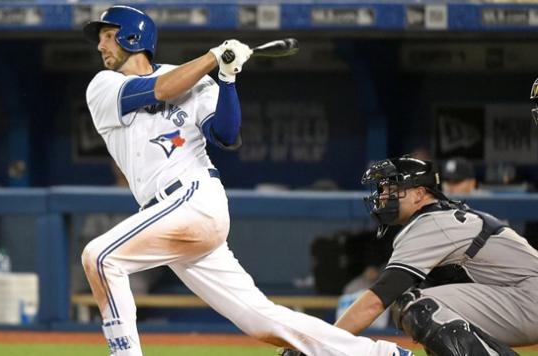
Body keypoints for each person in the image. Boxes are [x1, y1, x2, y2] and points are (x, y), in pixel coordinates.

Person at [80, 5, 413, 356]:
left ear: (133, 35)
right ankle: (382, 354)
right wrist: (212, 58)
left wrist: (227, 78)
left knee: (101, 257)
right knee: (262, 321)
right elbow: (160, 90)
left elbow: (226, 134)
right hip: (167, 216)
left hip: (195, 200)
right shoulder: (103, 85)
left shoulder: (192, 79)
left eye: (107, 36)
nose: (101, 46)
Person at [332, 156, 538, 355]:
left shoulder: (431, 224)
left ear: (419, 194)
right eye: (382, 189)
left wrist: (322, 344)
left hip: (527, 298)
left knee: (418, 306)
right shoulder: (441, 217)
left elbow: (375, 301)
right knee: (431, 305)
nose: (383, 196)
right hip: (521, 297)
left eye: (392, 189)